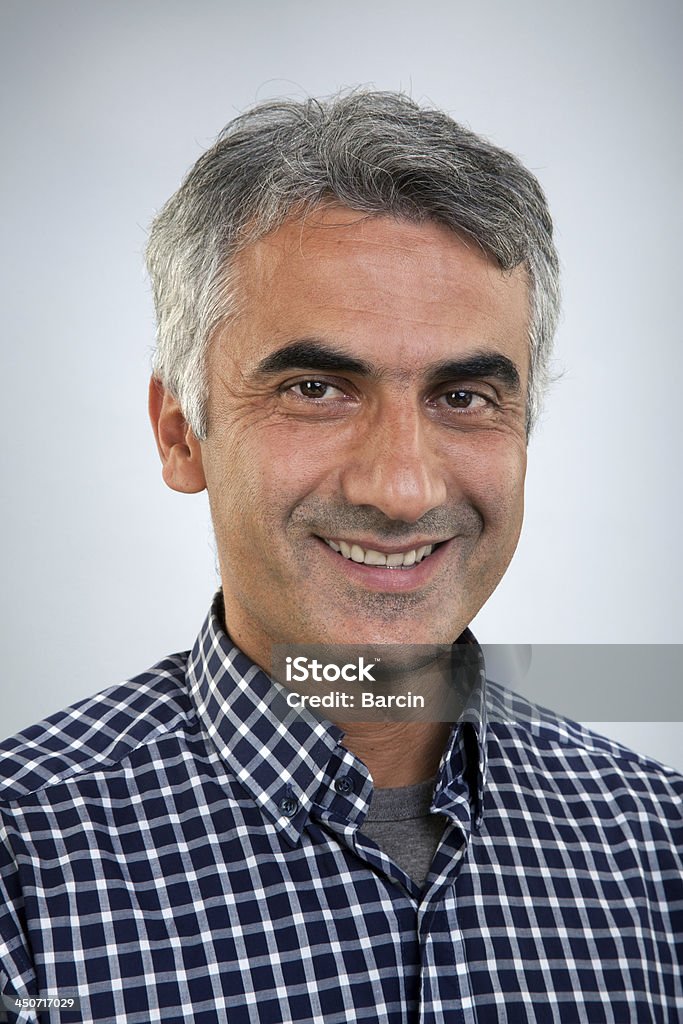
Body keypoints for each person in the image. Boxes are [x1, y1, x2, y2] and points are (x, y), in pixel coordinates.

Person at [0, 92, 680, 1024]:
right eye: (315, 388)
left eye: (465, 396)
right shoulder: (21, 862)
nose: (400, 489)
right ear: (179, 434)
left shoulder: (659, 845)